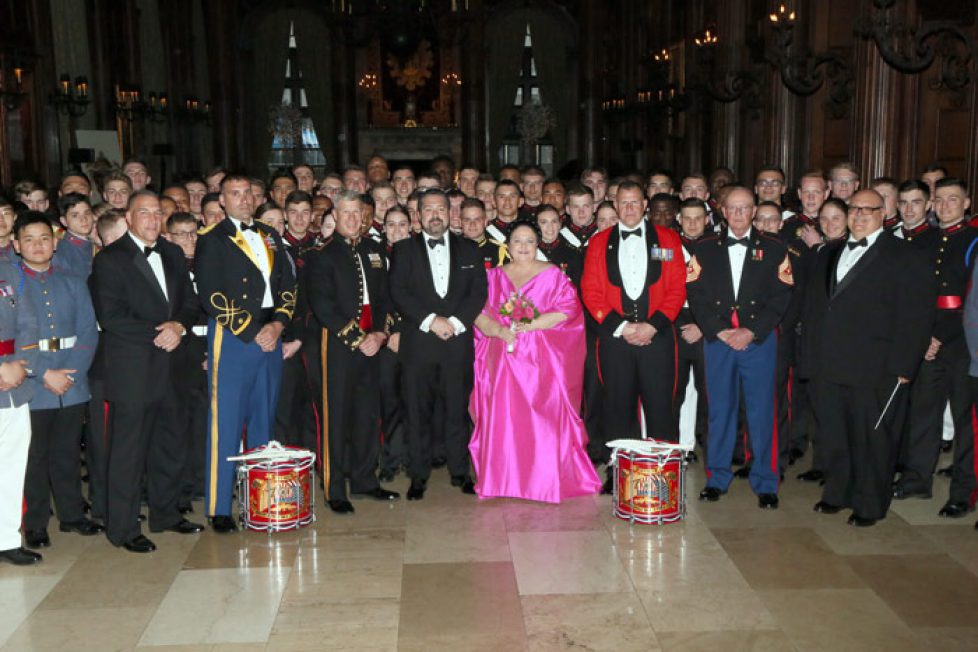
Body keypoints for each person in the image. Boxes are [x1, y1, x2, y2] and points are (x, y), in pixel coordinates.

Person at [800, 189, 934, 526]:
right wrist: (809, 360)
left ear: (884, 212)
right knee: (834, 435)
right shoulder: (828, 252)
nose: (859, 215)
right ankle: (837, 493)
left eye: (868, 209)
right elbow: (815, 310)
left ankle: (870, 504)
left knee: (873, 439)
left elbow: (916, 317)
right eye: (854, 209)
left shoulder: (905, 255)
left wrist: (905, 367)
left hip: (876, 367)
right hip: (828, 364)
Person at [89, 191, 204, 552]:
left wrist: (180, 327)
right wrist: (163, 332)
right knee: (128, 451)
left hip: (174, 366)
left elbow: (190, 303)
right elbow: (112, 316)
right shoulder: (110, 258)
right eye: (145, 213)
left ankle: (166, 514)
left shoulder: (172, 252)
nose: (153, 220)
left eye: (158, 213)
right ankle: (121, 529)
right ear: (129, 216)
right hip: (134, 368)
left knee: (170, 444)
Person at [469, 221, 601, 502]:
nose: (524, 247)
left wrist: (530, 325)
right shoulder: (493, 276)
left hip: (540, 358)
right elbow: (478, 312)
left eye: (529, 241)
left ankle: (541, 480)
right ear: (508, 244)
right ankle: (503, 479)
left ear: (538, 244)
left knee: (540, 418)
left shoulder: (552, 274)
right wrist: (499, 330)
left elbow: (568, 309)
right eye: (517, 241)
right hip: (503, 356)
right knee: (505, 417)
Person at [194, 174, 297, 532]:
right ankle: (220, 507)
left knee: (263, 420)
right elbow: (210, 294)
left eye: (248, 193)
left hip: (270, 335)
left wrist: (278, 326)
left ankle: (260, 500)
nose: (242, 199)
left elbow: (287, 286)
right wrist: (255, 331)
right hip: (235, 337)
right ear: (221, 200)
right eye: (234, 194)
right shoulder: (212, 239)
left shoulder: (270, 235)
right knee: (226, 422)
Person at [686, 186, 794, 509]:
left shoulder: (775, 248)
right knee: (719, 411)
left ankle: (766, 481)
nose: (738, 214)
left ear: (754, 210)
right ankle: (717, 477)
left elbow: (782, 297)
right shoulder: (703, 248)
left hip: (758, 340)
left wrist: (752, 331)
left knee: (763, 412)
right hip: (718, 342)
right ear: (721, 210)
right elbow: (696, 293)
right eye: (732, 208)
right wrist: (718, 331)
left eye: (744, 208)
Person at [581, 181, 687, 490]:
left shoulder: (668, 240)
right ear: (615, 206)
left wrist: (653, 325)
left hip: (658, 339)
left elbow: (677, 288)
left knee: (661, 408)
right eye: (623, 203)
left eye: (635, 202)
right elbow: (590, 291)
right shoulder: (599, 242)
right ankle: (619, 474)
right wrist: (621, 327)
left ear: (645, 205)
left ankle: (665, 476)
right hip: (616, 340)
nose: (629, 208)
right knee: (618, 407)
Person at [389, 189, 488, 500]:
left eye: (440, 209)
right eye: (428, 209)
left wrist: (457, 323)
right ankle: (418, 475)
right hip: (419, 343)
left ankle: (460, 471)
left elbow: (478, 293)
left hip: (457, 343)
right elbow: (399, 292)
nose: (435, 214)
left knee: (457, 410)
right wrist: (432, 320)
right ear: (418, 216)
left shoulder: (470, 249)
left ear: (450, 214)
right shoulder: (403, 250)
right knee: (417, 411)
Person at [306, 190, 399, 513]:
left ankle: (364, 479)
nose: (352, 219)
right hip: (337, 345)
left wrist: (381, 334)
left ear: (365, 217)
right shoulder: (321, 255)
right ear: (334, 216)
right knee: (336, 416)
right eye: (345, 213)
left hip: (372, 345)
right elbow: (323, 306)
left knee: (367, 413)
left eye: (357, 213)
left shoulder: (375, 251)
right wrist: (359, 338)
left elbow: (387, 298)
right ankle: (334, 488)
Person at [17, 212, 101, 549]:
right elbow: (10, 336)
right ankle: (36, 522)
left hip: (71, 381)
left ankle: (72, 515)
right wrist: (42, 372)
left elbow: (87, 332)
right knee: (35, 456)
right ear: (17, 244)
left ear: (54, 242)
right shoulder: (11, 283)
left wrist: (73, 373)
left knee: (67, 452)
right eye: (29, 239)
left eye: (43, 238)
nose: (37, 246)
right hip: (33, 381)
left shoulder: (71, 279)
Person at [895, 178, 978, 517]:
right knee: (923, 414)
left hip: (962, 344)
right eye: (939, 200)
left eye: (952, 199)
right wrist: (923, 336)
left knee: (964, 421)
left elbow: (970, 300)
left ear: (966, 203)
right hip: (926, 340)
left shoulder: (973, 240)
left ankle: (963, 491)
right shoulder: (923, 241)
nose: (945, 206)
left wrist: (939, 336)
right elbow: (913, 295)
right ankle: (916, 480)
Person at [0, 255, 40, 565]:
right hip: (5, 373)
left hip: (15, 383)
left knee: (12, 465)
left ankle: (7, 539)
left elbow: (28, 323)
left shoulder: (10, 273)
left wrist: (19, 367)